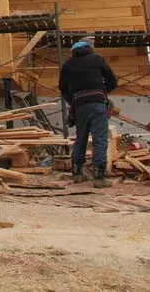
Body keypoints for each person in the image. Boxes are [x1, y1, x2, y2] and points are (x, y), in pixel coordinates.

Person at [59, 37, 118, 188]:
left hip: (80, 104)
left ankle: (77, 174)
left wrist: (72, 100)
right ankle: (99, 178)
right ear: (89, 48)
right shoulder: (97, 59)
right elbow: (113, 81)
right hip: (98, 103)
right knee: (100, 139)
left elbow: (62, 87)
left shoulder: (68, 64)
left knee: (81, 138)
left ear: (73, 51)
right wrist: (102, 92)